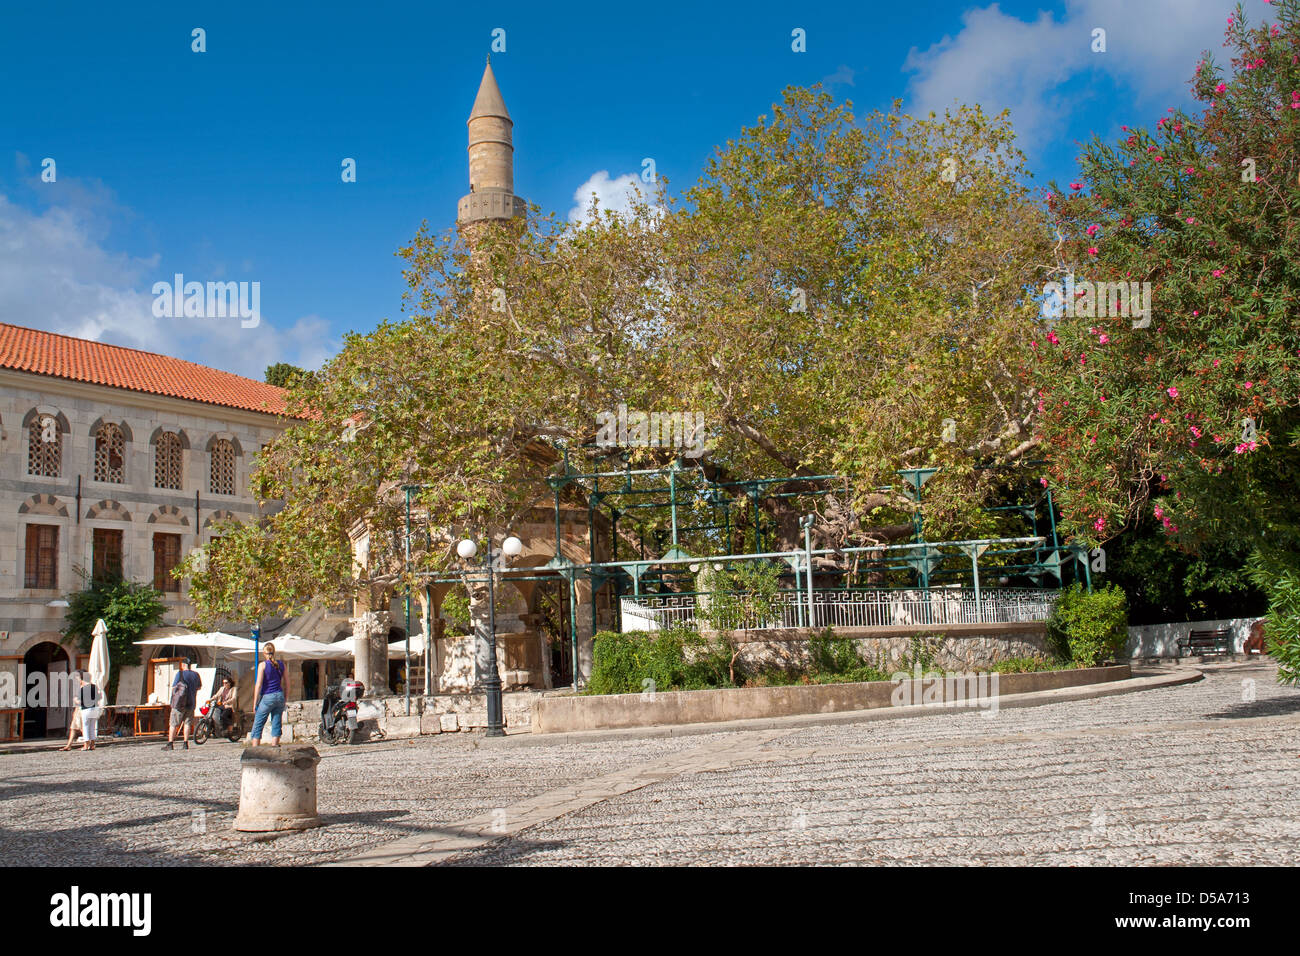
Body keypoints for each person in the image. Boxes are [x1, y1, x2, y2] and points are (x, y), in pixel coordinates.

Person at [250, 644, 286, 746]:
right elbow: (287, 683)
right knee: (276, 722)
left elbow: (259, 684)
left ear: (264, 653)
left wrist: (255, 702)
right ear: (274, 652)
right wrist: (285, 698)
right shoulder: (281, 664)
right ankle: (275, 747)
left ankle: (255, 749)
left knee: (258, 722)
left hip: (267, 696)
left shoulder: (263, 665)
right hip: (279, 695)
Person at [163, 658, 202, 751]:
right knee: (187, 723)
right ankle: (185, 743)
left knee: (173, 723)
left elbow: (174, 687)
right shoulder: (196, 675)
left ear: (183, 664)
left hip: (179, 704)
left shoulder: (180, 674)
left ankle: (170, 743)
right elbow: (199, 687)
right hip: (191, 702)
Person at [76, 672, 102, 751]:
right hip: (94, 708)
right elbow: (98, 698)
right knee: (92, 726)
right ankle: (92, 744)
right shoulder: (94, 687)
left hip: (86, 709)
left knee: (86, 726)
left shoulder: (82, 689)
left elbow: (80, 701)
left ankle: (86, 744)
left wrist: (75, 700)